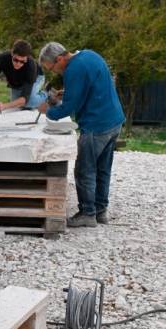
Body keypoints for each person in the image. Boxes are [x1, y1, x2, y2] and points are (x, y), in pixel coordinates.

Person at [37, 42, 125, 228]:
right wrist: (68, 93)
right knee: (102, 168)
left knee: (84, 170)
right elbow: (92, 84)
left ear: (59, 59)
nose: (55, 72)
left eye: (52, 67)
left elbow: (69, 108)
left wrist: (49, 111)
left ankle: (87, 213)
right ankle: (100, 211)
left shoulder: (73, 70)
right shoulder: (89, 55)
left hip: (97, 125)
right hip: (114, 121)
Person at [0, 39, 47, 112]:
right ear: (12, 53)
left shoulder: (31, 65)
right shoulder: (2, 58)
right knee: (17, 105)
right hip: (16, 81)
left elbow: (25, 98)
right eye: (16, 60)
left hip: (36, 77)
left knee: (29, 102)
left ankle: (46, 95)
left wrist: (4, 106)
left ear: (27, 57)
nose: (18, 64)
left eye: (22, 61)